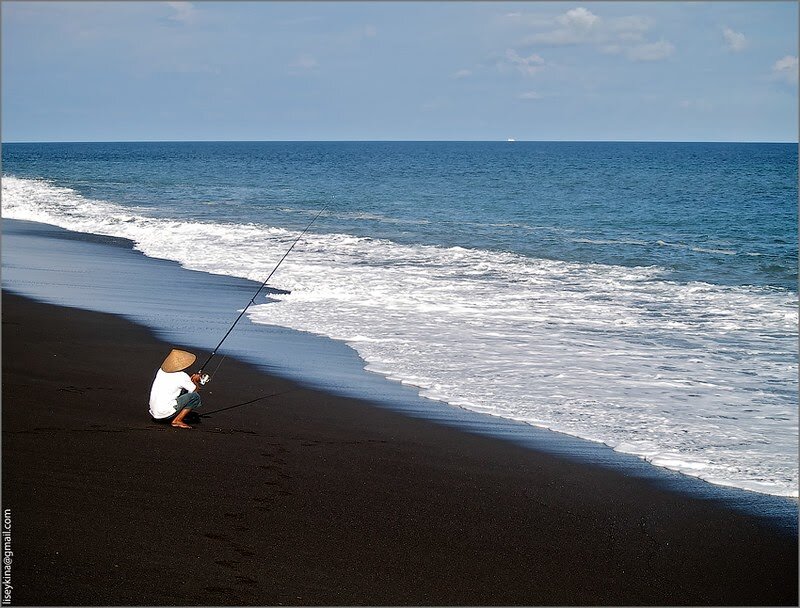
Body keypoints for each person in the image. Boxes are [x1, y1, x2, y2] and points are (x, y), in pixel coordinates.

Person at [149, 348, 203, 429]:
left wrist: (189, 381)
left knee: (183, 390)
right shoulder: (182, 376)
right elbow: (195, 390)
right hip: (163, 413)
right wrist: (195, 381)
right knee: (195, 397)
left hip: (154, 412)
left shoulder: (161, 371)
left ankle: (173, 414)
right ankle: (177, 420)